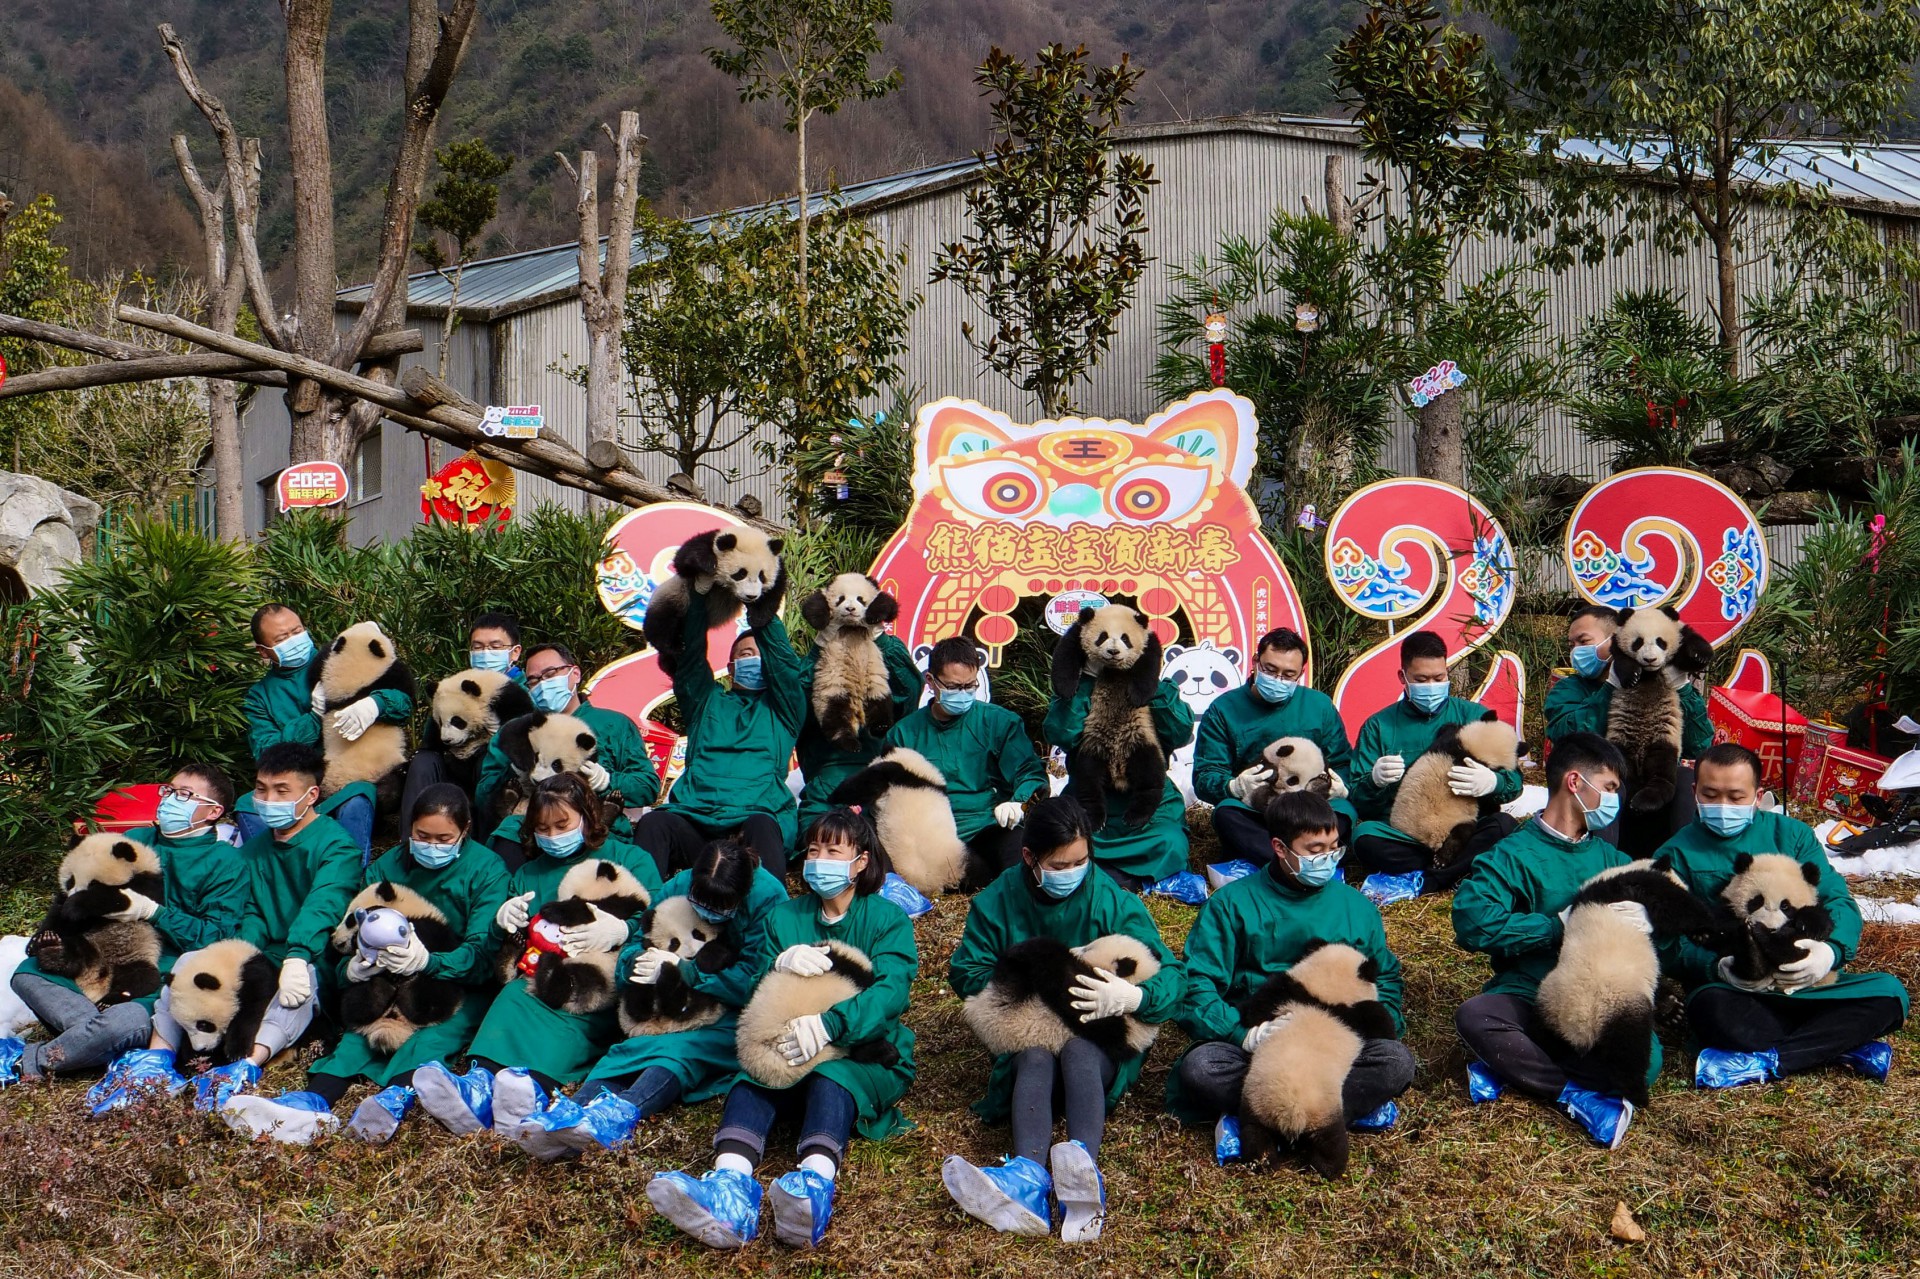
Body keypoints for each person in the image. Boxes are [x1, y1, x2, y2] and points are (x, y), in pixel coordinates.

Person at [645, 808, 916, 1251]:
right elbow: (755, 988)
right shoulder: (784, 917)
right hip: (786, 1037)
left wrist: (831, 1024)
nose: (820, 860)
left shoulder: (887, 919)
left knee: (833, 1078)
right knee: (753, 1078)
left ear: (861, 861)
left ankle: (813, 1188)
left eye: (833, 851)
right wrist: (777, 963)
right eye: (813, 850)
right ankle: (730, 1187)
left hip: (863, 1047)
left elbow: (892, 990)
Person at [942, 796, 1186, 1242]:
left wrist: (1136, 996)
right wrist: (1032, 977)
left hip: (1097, 1037)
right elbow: (967, 973)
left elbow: (1170, 973)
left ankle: (1082, 1173)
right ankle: (1028, 1177)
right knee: (1035, 1056)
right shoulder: (997, 901)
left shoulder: (1109, 898)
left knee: (1079, 1051)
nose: (1072, 872)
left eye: (1081, 861)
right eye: (1059, 865)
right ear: (1029, 857)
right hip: (1030, 1031)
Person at [219, 784, 512, 1144]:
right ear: (408, 827)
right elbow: (347, 936)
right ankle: (311, 1100)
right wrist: (352, 970)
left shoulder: (487, 870)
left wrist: (429, 962)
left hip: (455, 983)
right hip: (382, 977)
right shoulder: (385, 867)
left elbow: (482, 955)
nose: (431, 846)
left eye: (444, 839)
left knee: (435, 1035)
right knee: (358, 1036)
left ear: (465, 831)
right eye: (422, 836)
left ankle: (394, 1099)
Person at [90, 745, 363, 1114]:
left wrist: (297, 955)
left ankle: (244, 1066)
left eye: (281, 791)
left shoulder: (336, 846)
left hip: (311, 956)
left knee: (299, 987)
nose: (268, 800)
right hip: (260, 953)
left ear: (311, 794)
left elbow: (323, 904)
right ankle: (155, 1061)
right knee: (190, 963)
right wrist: (234, 955)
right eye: (261, 789)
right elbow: (251, 913)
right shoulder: (253, 851)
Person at [503, 835, 790, 1161]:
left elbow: (754, 981)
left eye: (720, 908)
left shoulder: (768, 899)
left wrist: (686, 972)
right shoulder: (680, 884)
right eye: (700, 903)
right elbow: (637, 943)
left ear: (742, 894)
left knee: (676, 1052)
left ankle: (618, 1114)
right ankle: (569, 1113)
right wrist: (638, 965)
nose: (708, 915)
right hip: (666, 1003)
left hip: (728, 1010)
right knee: (626, 1050)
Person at [1170, 791, 1414, 1164]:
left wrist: (1367, 1027)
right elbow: (1197, 985)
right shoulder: (1231, 905)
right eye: (1315, 850)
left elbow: (1387, 979)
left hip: (1334, 1048)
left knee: (1395, 1060)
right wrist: (1241, 1034)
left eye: (1334, 847)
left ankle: (1266, 1121)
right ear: (1280, 848)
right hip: (1259, 1047)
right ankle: (1327, 1120)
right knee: (1202, 1067)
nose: (1328, 858)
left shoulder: (1357, 908)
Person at [411, 773, 662, 1135]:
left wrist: (624, 929)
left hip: (599, 984)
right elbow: (505, 948)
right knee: (513, 996)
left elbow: (657, 918)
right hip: (537, 977)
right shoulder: (529, 873)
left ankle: (532, 1089)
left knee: (567, 1015)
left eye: (563, 825)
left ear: (588, 816)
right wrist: (503, 925)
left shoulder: (629, 859)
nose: (553, 836)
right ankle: (480, 1083)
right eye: (543, 829)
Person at [1655, 744, 1907, 1089]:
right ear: (1694, 790)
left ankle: (1769, 1060)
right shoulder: (1674, 853)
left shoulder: (1793, 836)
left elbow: (1836, 899)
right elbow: (1665, 941)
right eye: (1710, 795)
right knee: (1709, 1008)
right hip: (1737, 992)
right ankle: (1837, 1046)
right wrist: (1717, 967)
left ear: (1758, 796)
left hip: (1808, 985)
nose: (1722, 806)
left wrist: (1830, 952)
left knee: (1890, 993)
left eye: (1736, 796)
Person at [1451, 732, 1644, 1148]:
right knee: (1477, 1017)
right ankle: (1571, 1093)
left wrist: (1649, 924)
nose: (1615, 800)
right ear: (1575, 782)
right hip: (1529, 992)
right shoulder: (1512, 855)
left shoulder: (1615, 861)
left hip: (1594, 996)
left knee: (1646, 1062)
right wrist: (1556, 925)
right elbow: (1473, 922)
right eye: (1610, 787)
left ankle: (1512, 1068)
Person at [3, 765, 245, 1086]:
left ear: (213, 811)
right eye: (169, 790)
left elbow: (215, 937)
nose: (170, 799)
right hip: (99, 958)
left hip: (158, 978)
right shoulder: (135, 839)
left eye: (185, 795)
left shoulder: (226, 862)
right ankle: (99, 1041)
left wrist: (153, 912)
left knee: (124, 1021)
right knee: (27, 973)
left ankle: (28, 1061)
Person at [633, 590, 805, 878]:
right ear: (731, 668)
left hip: (751, 822)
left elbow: (786, 669)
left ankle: (770, 906)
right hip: (695, 818)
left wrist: (759, 605)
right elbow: (690, 663)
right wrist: (698, 597)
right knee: (655, 824)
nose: (755, 659)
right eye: (746, 654)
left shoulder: (784, 710)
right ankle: (638, 904)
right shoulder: (706, 703)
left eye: (762, 655)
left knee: (762, 824)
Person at [1348, 631, 1522, 892]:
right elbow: (1360, 802)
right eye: (1421, 679)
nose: (1431, 686)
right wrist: (1374, 782)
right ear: (1403, 677)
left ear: (1447, 672)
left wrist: (1493, 783)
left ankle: (1429, 878)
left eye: (1439, 678)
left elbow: (1515, 782)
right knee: (1365, 837)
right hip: (1408, 832)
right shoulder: (1378, 726)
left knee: (1503, 826)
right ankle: (1459, 868)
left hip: (1462, 831)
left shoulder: (1476, 717)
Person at [236, 604, 412, 856]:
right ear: (263, 650)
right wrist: (314, 718)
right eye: (282, 638)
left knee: (358, 795)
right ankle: (270, 866)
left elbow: (403, 703)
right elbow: (266, 753)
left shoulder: (340, 657)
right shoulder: (259, 697)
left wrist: (377, 703)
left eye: (297, 631)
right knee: (247, 805)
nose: (293, 641)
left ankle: (348, 869)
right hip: (297, 787)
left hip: (351, 778)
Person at [1543, 604, 1712, 850]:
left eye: (1584, 641)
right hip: (1601, 803)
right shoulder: (1569, 689)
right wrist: (1611, 687)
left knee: (1685, 779)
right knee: (1606, 782)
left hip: (1657, 791)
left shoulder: (1667, 678)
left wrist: (1682, 688)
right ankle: (1600, 861)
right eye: (1572, 645)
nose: (1577, 651)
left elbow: (1699, 745)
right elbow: (1568, 736)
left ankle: (1683, 861)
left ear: (1616, 635)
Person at [884, 637, 1049, 887]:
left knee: (1021, 855)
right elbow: (887, 796)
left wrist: (1019, 803)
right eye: (953, 687)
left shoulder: (999, 722)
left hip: (988, 826)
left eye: (970, 686)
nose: (963, 694)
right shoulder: (904, 734)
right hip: (928, 836)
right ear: (930, 681)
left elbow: (1030, 773)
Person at [1192, 627, 1355, 864]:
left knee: (1343, 811)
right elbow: (1206, 775)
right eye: (1270, 669)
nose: (1278, 679)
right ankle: (1298, 861)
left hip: (1311, 808)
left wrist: (1340, 786)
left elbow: (1342, 762)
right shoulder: (1223, 710)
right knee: (1227, 813)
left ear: (1300, 673)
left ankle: (1283, 859)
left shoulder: (1319, 706)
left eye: (1288, 674)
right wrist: (1234, 787)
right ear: (1255, 661)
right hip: (1257, 809)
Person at [473, 642, 660, 845]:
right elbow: (484, 795)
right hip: (529, 830)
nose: (542, 684)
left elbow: (647, 787)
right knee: (508, 837)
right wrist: (515, 769)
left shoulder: (614, 725)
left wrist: (606, 781)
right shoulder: (517, 730)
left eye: (550, 674)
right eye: (533, 680)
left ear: (575, 674)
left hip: (600, 835)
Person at [1043, 647, 1195, 889]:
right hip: (1087, 799)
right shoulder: (1078, 690)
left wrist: (1148, 683)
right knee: (1059, 841)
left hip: (1150, 805)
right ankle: (1127, 877)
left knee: (1170, 843)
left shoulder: (1160, 690)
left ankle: (1099, 874)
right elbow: (1061, 733)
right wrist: (1084, 684)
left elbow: (1180, 732)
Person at [794, 623, 923, 838]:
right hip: (825, 790)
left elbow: (909, 688)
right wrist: (820, 645)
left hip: (880, 787)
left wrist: (879, 637)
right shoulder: (817, 685)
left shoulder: (883, 692)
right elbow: (795, 698)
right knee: (817, 841)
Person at [399, 612, 529, 826]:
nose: (485, 653)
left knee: (488, 760)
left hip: (498, 778)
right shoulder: (453, 688)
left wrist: (498, 736)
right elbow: (433, 741)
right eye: (477, 647)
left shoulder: (527, 693)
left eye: (495, 646)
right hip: (455, 773)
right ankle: (412, 836)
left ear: (515, 652)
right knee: (424, 761)